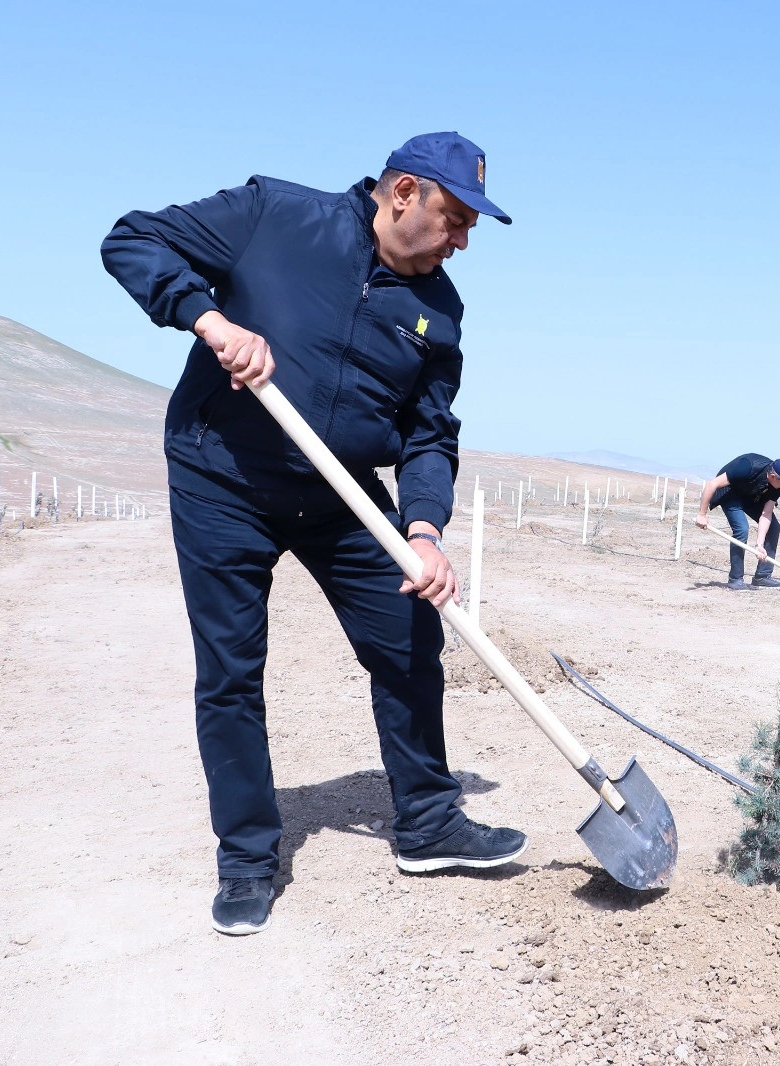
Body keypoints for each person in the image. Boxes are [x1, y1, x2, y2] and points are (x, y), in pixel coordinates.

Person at [101, 132, 527, 936]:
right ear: (404, 192)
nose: (462, 241)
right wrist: (209, 319)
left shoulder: (440, 310)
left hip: (342, 495)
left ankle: (429, 823)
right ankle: (247, 859)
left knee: (410, 635)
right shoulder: (275, 215)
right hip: (224, 475)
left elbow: (431, 434)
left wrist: (424, 530)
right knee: (231, 670)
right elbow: (131, 238)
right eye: (456, 219)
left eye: (471, 227)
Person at [693, 455, 780, 590]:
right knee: (742, 529)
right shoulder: (747, 466)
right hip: (730, 493)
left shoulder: (777, 486)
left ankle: (762, 576)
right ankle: (735, 579)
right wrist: (702, 514)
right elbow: (712, 484)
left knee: (773, 527)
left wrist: (759, 545)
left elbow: (766, 514)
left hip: (751, 496)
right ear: (773, 476)